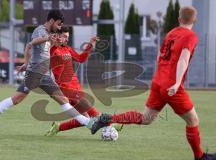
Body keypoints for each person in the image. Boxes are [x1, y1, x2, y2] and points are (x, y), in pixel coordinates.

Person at [90, 6, 216, 160]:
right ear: (194, 20)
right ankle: (200, 157)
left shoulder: (171, 33)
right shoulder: (191, 36)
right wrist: (176, 83)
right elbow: (183, 59)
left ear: (179, 19)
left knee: (146, 118)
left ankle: (108, 118)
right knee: (193, 120)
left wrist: (163, 74)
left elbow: (159, 56)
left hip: (158, 81)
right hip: (171, 85)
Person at [0, 10, 94, 134]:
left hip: (45, 75)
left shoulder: (51, 34)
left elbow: (31, 48)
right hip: (34, 73)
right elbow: (32, 43)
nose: (59, 27)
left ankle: (87, 122)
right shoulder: (40, 30)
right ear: (51, 21)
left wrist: (26, 63)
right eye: (59, 24)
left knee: (63, 100)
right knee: (17, 99)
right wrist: (46, 39)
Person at [44, 26, 123, 136]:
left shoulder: (68, 49)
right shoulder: (52, 49)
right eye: (65, 36)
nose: (67, 39)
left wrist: (90, 45)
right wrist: (55, 41)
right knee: (88, 107)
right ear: (58, 36)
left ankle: (58, 127)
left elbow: (81, 59)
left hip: (76, 85)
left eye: (68, 37)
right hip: (65, 88)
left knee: (85, 119)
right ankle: (110, 124)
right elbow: (51, 48)